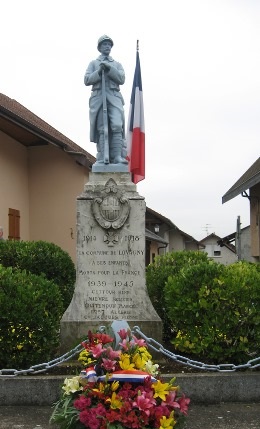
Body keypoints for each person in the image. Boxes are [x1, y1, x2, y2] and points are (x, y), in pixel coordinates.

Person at [84, 35, 128, 165]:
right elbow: (87, 80)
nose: (107, 46)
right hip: (98, 97)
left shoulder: (117, 64)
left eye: (109, 44)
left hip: (114, 96)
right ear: (99, 47)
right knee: (102, 128)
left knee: (117, 125)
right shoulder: (93, 63)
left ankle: (117, 157)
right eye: (104, 44)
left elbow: (121, 79)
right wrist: (99, 71)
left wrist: (109, 68)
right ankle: (103, 157)